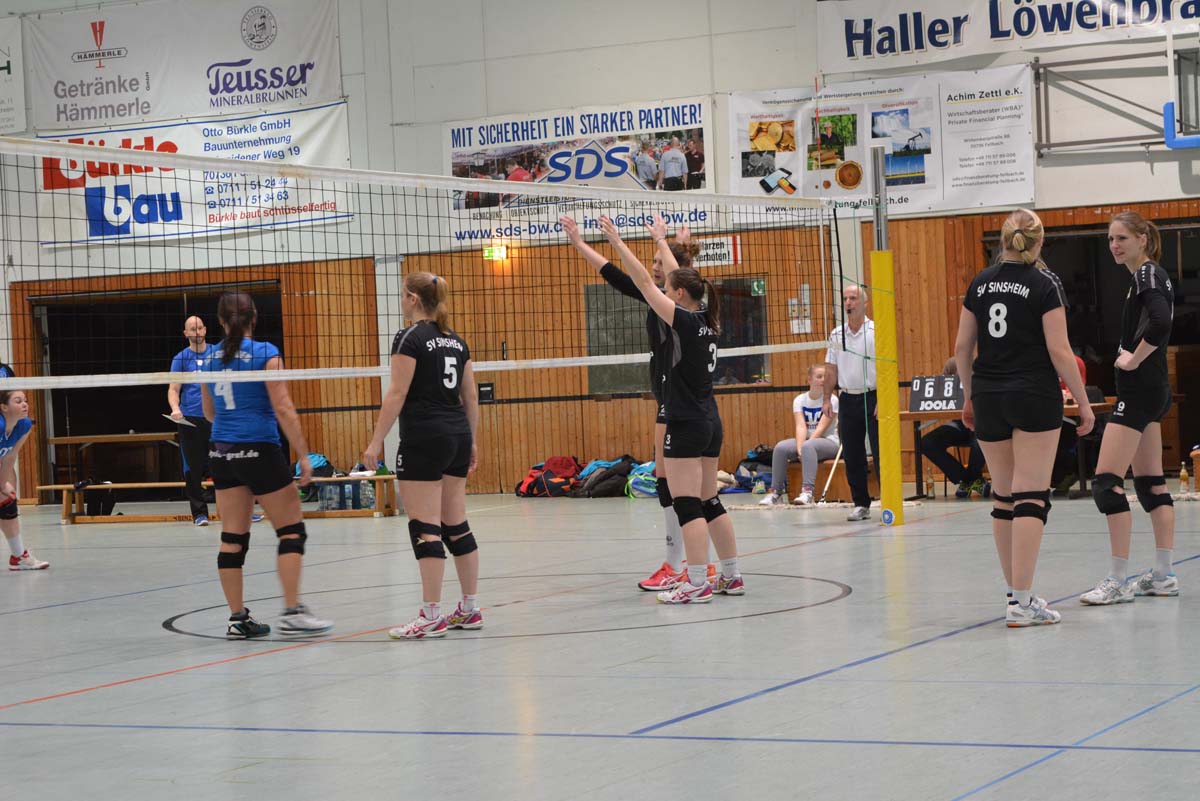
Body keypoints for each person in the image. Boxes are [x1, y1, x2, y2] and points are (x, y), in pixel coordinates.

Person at [955, 208, 1094, 627]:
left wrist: (969, 396)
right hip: (1032, 393)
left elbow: (962, 348)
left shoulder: (980, 282)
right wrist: (1084, 402)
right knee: (1031, 494)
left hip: (989, 394)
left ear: (1003, 239)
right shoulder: (1044, 282)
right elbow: (1059, 350)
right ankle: (1022, 602)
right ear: (1039, 240)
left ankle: (1016, 596)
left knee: (1003, 496)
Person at [561, 212, 713, 592]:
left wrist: (646, 241)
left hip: (678, 404)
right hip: (677, 400)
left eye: (660, 262)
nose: (655, 266)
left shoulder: (676, 305)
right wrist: (580, 244)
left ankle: (682, 566)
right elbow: (615, 275)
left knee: (676, 487)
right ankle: (692, 564)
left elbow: (649, 276)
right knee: (677, 486)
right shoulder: (674, 301)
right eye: (654, 262)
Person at [598, 215, 744, 604]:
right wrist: (662, 240)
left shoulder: (682, 323)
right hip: (710, 419)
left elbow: (645, 283)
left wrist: (617, 241)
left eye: (669, 288)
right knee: (710, 500)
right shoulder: (707, 319)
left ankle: (696, 582)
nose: (662, 289)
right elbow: (674, 279)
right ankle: (731, 575)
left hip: (685, 421)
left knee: (687, 504)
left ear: (678, 295)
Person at [201, 292, 332, 639]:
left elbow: (209, 412)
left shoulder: (208, 359)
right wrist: (303, 455)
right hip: (259, 448)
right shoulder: (265, 353)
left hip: (222, 452)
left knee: (232, 537)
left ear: (221, 321)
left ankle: (237, 618)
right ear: (254, 317)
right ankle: (292, 612)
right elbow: (283, 408)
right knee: (291, 531)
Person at [363, 272, 482, 640]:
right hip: (457, 435)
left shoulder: (409, 337)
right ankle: (469, 608)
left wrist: (375, 442)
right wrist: (471, 441)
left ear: (413, 299)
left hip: (424, 438)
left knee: (425, 526)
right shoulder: (456, 340)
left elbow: (396, 394)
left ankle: (431, 615)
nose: (401, 301)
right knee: (456, 524)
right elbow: (470, 397)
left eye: (403, 295)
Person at [1080, 212, 1178, 605]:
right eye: (1110, 239)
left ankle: (1118, 580)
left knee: (1106, 483)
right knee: (1151, 483)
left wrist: (1132, 359)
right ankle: (1164, 575)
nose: (1114, 246)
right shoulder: (1149, 276)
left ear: (1143, 239)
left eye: (1122, 238)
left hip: (1138, 391)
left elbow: (1161, 322)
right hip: (1153, 390)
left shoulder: (1147, 275)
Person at [823, 285, 878, 521]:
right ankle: (861, 503)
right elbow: (831, 369)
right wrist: (827, 398)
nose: (848, 302)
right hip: (847, 398)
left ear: (864, 303)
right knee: (853, 455)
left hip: (873, 397)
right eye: (845, 298)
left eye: (853, 298)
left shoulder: (876, 331)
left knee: (880, 452)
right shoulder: (837, 335)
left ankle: (889, 500)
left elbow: (887, 367)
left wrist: (884, 400)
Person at [760, 364, 839, 506]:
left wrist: (804, 449)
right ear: (809, 380)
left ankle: (808, 492)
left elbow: (821, 428)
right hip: (808, 442)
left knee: (808, 446)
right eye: (819, 377)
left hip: (829, 442)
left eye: (825, 377)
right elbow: (801, 426)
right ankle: (776, 492)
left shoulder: (832, 400)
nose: (823, 380)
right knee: (781, 448)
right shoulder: (800, 400)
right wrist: (799, 449)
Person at [168, 316, 216, 526]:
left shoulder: (217, 353)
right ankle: (199, 514)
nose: (197, 332)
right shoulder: (181, 359)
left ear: (205, 330)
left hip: (217, 418)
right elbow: (173, 389)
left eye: (200, 328)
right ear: (186, 333)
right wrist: (175, 408)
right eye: (192, 329)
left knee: (228, 464)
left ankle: (238, 510)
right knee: (192, 469)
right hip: (191, 420)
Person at [920, 358, 987, 499]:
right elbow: (940, 389)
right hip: (959, 422)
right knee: (927, 442)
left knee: (981, 438)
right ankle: (968, 480)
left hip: (984, 421)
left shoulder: (989, 360)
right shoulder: (953, 363)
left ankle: (969, 481)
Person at [1, 391, 48, 571]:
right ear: (4, 407)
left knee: (8, 503)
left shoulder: (24, 425)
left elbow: (10, 456)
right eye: (18, 401)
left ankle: (18, 556)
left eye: (25, 401)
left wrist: (2, 484)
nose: (25, 404)